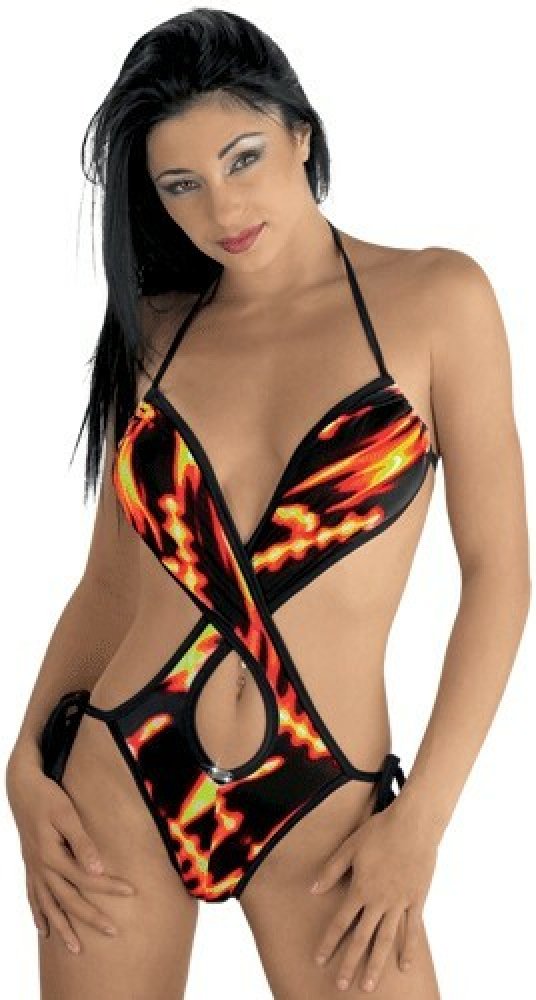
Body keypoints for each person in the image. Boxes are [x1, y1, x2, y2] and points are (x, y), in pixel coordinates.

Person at [6, 8, 530, 999]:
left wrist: (420, 823)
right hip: (120, 770)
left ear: (300, 133)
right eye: (181, 184)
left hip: (326, 802)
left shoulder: (438, 299)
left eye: (242, 158)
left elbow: (498, 575)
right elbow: (108, 587)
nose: (222, 206)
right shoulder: (154, 331)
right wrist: (22, 767)